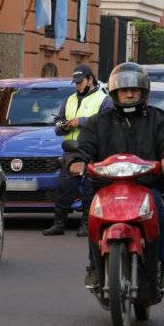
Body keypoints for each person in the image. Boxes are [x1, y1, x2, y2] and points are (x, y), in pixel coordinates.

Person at [68, 62, 164, 292]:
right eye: (124, 90)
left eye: (135, 89)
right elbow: (83, 147)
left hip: (145, 186)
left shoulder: (159, 119)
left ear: (144, 92)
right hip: (107, 187)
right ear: (115, 92)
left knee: (159, 213)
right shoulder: (98, 122)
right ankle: (93, 264)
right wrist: (77, 160)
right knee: (94, 217)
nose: (130, 93)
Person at [42, 64, 112, 237]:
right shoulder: (69, 100)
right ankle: (59, 224)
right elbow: (58, 125)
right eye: (76, 83)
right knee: (64, 188)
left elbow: (106, 124)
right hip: (71, 152)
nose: (78, 85)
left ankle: (86, 225)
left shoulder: (104, 100)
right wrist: (63, 126)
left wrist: (81, 121)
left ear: (90, 79)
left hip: (92, 153)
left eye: (81, 82)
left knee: (90, 190)